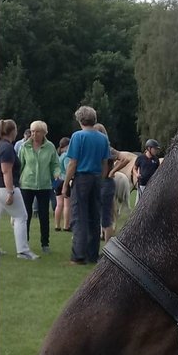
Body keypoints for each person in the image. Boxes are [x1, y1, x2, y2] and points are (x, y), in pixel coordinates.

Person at [62, 105, 111, 265]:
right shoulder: (103, 138)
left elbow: (72, 163)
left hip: (82, 178)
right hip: (97, 178)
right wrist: (101, 179)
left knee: (79, 216)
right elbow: (105, 163)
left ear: (80, 119)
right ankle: (92, 254)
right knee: (94, 216)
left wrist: (65, 184)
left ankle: (78, 256)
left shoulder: (78, 136)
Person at [18, 120, 61, 254]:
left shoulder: (50, 147)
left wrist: (56, 174)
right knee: (26, 215)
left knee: (44, 215)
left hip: (44, 186)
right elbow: (20, 165)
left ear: (44, 133)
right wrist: (15, 182)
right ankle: (25, 243)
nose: (34, 134)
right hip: (26, 184)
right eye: (32, 131)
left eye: (37, 131)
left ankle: (45, 243)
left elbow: (55, 164)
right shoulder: (24, 146)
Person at [0, 119, 37, 260]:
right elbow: (6, 171)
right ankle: (23, 251)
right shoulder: (7, 148)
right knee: (21, 217)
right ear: (12, 131)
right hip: (5, 187)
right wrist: (10, 191)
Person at [94, 123, 120, 244]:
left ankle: (105, 246)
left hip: (104, 183)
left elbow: (125, 158)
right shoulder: (107, 148)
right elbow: (124, 158)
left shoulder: (104, 149)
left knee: (104, 216)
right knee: (104, 216)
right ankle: (106, 246)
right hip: (105, 183)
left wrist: (112, 171)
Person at [134, 139, 161, 204]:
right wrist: (136, 174)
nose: (156, 151)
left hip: (152, 185)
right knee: (139, 203)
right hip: (142, 184)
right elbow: (134, 168)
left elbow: (159, 171)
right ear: (149, 148)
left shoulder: (156, 160)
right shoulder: (140, 158)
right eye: (155, 149)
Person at [53, 136, 70, 232]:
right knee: (67, 205)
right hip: (64, 180)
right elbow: (68, 169)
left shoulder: (59, 156)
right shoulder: (67, 156)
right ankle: (66, 225)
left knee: (59, 204)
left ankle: (57, 225)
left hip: (57, 181)